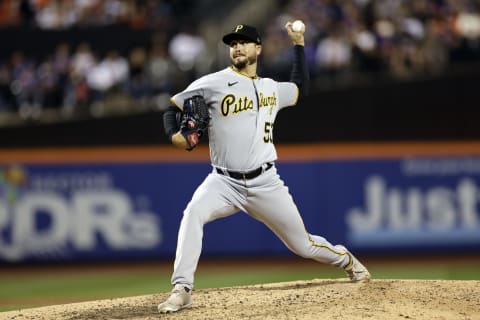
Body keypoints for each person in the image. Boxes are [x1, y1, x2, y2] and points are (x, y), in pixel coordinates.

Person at [159, 22, 371, 314]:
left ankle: (346, 260)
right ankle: (182, 289)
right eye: (233, 43)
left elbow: (299, 87)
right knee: (193, 213)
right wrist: (175, 136)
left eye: (244, 42)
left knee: (303, 246)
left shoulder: (270, 87)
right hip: (223, 182)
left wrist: (298, 44)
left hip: (266, 182)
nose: (237, 47)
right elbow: (172, 107)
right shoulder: (212, 82)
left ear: (258, 48)